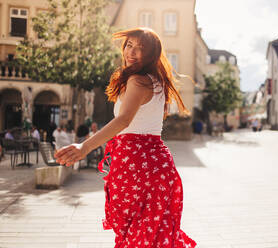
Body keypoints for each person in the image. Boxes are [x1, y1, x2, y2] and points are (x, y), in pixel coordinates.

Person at [55, 27, 196, 248]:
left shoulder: (139, 81)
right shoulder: (155, 80)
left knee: (137, 239)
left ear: (151, 54)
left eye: (140, 48)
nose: (132, 52)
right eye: (129, 45)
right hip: (154, 167)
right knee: (151, 239)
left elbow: (123, 121)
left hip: (138, 168)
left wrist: (85, 147)